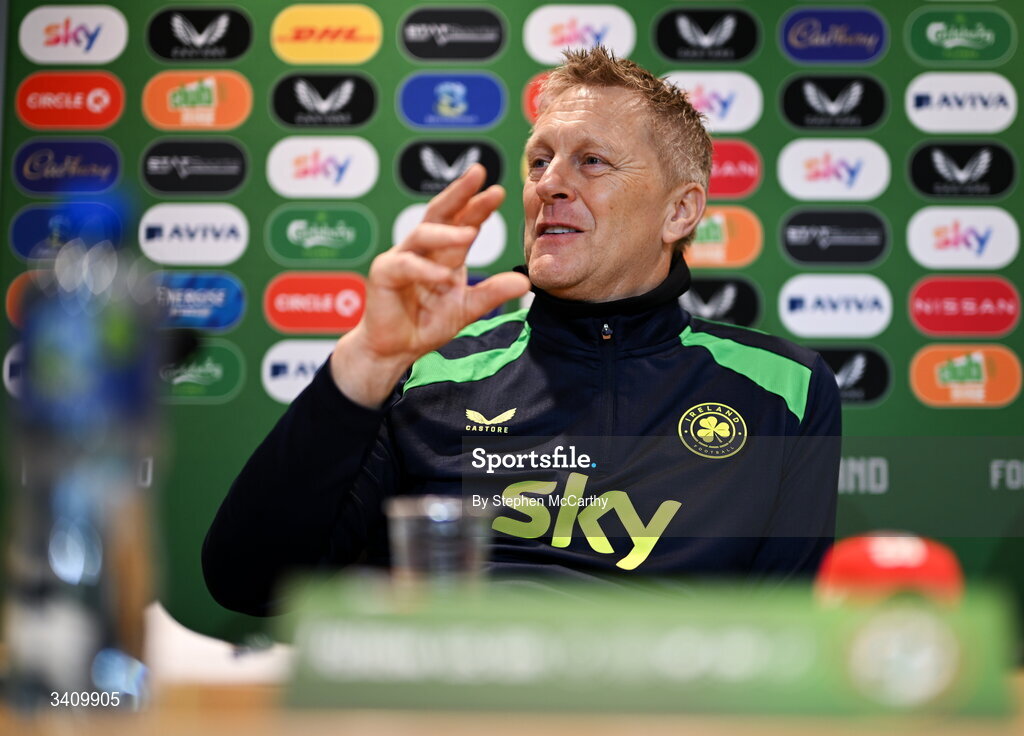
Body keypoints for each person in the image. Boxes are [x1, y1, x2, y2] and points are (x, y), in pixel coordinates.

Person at [203, 48, 841, 616]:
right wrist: (367, 360)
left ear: (679, 211)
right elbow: (249, 584)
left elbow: (779, 638)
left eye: (592, 161)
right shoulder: (431, 369)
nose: (549, 185)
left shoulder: (783, 389)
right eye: (539, 161)